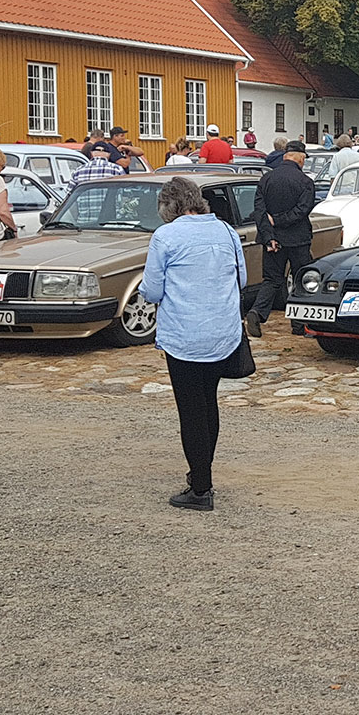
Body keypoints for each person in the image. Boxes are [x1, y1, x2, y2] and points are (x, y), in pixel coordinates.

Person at [141, 176, 251, 512]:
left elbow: (152, 290)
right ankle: (202, 471)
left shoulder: (166, 236)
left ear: (168, 206)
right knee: (208, 403)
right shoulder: (226, 231)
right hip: (221, 332)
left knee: (190, 411)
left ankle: (201, 487)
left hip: (184, 335)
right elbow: (242, 279)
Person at [247, 144, 318, 337]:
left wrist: (269, 236)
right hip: (298, 239)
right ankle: (299, 325)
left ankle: (257, 312)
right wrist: (279, 220)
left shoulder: (266, 178)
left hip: (273, 240)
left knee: (271, 280)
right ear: (300, 158)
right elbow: (302, 211)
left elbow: (259, 212)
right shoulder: (305, 181)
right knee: (300, 280)